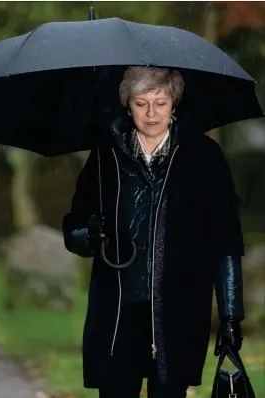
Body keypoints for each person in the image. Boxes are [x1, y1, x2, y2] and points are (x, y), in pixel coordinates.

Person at [62, 66, 245, 398]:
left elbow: (226, 240)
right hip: (118, 312)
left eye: (160, 103)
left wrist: (231, 314)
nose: (151, 114)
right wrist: (88, 236)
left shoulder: (203, 157)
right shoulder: (105, 156)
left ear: (174, 102)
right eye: (140, 103)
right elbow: (72, 227)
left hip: (179, 310)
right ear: (126, 104)